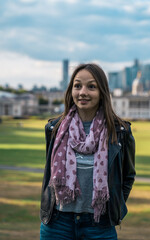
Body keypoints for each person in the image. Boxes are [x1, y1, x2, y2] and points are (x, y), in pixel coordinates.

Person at [40, 63, 136, 240]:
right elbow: (49, 174)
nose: (82, 92)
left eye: (91, 86)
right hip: (57, 223)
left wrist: (113, 206)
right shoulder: (54, 129)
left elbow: (127, 177)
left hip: (99, 225)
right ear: (71, 91)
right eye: (77, 86)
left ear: (102, 93)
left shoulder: (120, 132)